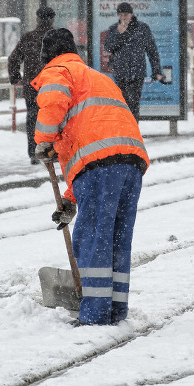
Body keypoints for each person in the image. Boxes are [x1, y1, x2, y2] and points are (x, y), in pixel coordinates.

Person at [33, 28, 149, 326]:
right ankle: (115, 309)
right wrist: (71, 201)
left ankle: (94, 315)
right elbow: (91, 137)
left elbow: (54, 100)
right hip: (130, 162)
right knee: (116, 239)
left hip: (100, 165)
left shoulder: (59, 70)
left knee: (94, 239)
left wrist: (43, 138)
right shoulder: (95, 77)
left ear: (47, 55)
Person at [8, 6, 55, 164]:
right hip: (54, 87)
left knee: (33, 120)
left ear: (36, 19)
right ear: (53, 20)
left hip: (32, 87)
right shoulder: (58, 37)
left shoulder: (28, 38)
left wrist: (15, 77)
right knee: (54, 120)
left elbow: (13, 59)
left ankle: (34, 152)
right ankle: (51, 151)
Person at [102, 2, 164, 120]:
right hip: (120, 72)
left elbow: (152, 51)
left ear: (131, 14)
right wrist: (119, 34)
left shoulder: (142, 28)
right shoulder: (114, 29)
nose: (123, 18)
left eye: (125, 15)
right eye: (120, 15)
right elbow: (108, 47)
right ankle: (124, 129)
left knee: (133, 103)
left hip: (137, 72)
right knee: (122, 103)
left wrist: (156, 70)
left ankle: (133, 129)